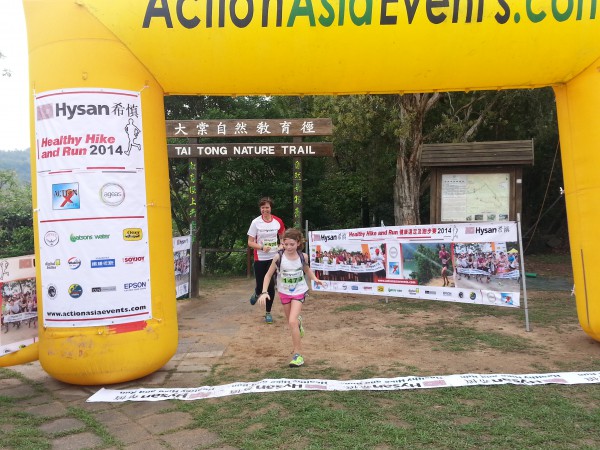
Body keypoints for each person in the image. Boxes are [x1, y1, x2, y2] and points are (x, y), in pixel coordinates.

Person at [257, 228, 323, 367]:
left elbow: (306, 269)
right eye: (285, 244)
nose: (288, 247)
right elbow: (268, 275)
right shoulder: (278, 257)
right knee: (291, 322)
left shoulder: (303, 257)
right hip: (284, 292)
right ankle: (298, 323)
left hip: (299, 291)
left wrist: (315, 279)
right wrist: (264, 292)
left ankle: (298, 355)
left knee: (292, 321)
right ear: (282, 243)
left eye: (292, 244)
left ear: (298, 243)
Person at [247, 196, 285, 324]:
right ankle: (257, 292)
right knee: (260, 284)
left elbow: (283, 238)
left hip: (273, 257)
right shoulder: (255, 222)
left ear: (271, 208)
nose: (265, 210)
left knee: (270, 285)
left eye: (267, 207)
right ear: (260, 209)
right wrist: (262, 247)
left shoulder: (278, 221)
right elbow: (250, 242)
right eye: (262, 208)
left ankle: (268, 313)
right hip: (260, 257)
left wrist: (280, 246)